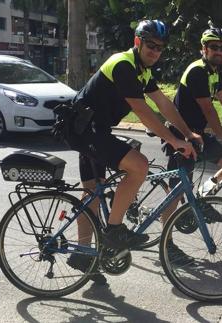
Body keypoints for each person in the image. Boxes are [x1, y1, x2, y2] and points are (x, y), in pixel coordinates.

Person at [67, 20, 202, 283]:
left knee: (93, 192)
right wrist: (174, 142)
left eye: (160, 48)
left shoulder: (143, 71)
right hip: (84, 130)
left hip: (93, 130)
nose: (155, 51)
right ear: (138, 42)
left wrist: (187, 133)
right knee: (139, 165)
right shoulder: (123, 65)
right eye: (151, 45)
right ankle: (115, 231)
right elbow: (142, 110)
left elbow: (162, 103)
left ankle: (83, 254)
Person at [160, 27, 222, 263]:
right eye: (213, 47)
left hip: (198, 135)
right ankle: (167, 246)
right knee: (176, 193)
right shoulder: (197, 71)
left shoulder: (214, 71)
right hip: (181, 136)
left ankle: (202, 197)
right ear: (204, 49)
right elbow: (208, 108)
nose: (218, 51)